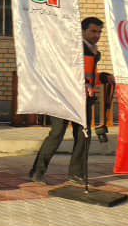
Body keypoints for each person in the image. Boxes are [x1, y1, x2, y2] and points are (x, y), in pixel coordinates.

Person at [29, 17, 103, 185]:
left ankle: (76, 174)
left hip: (83, 100)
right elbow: (65, 72)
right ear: (83, 31)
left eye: (99, 32)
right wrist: (84, 84)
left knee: (83, 136)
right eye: (93, 31)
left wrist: (102, 78)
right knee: (57, 134)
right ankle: (37, 172)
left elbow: (89, 74)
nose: (97, 35)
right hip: (64, 98)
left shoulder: (93, 51)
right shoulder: (72, 48)